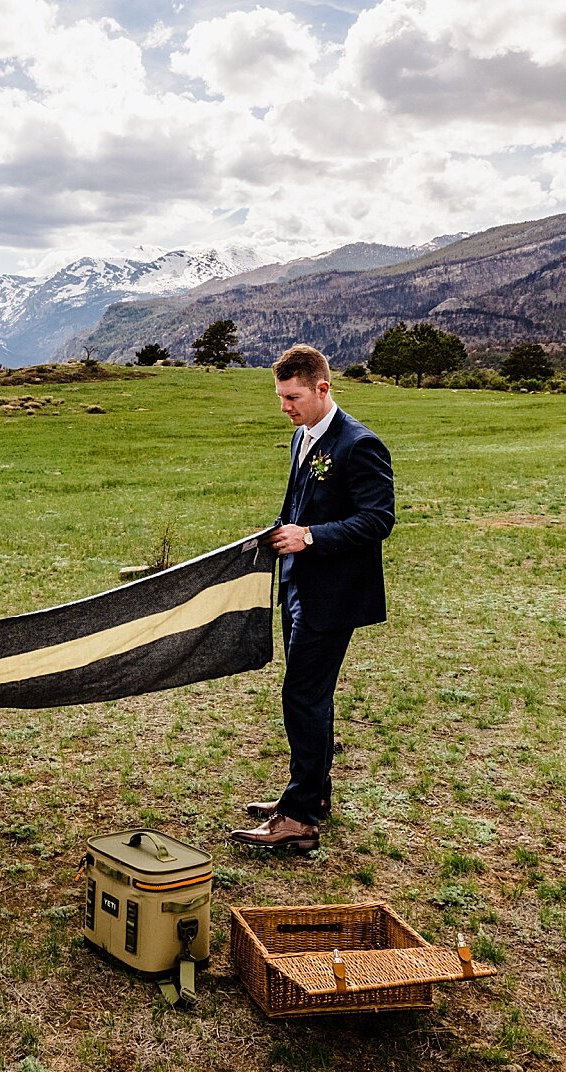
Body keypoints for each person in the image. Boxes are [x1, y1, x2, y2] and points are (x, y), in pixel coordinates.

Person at [230, 345, 394, 853]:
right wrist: (279, 535)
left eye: (292, 397)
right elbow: (297, 505)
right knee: (309, 697)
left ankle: (298, 818)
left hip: (334, 595)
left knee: (303, 695)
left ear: (323, 388)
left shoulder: (359, 445)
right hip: (298, 587)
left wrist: (312, 537)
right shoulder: (304, 436)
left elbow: (378, 519)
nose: (285, 407)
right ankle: (313, 795)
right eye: (281, 397)